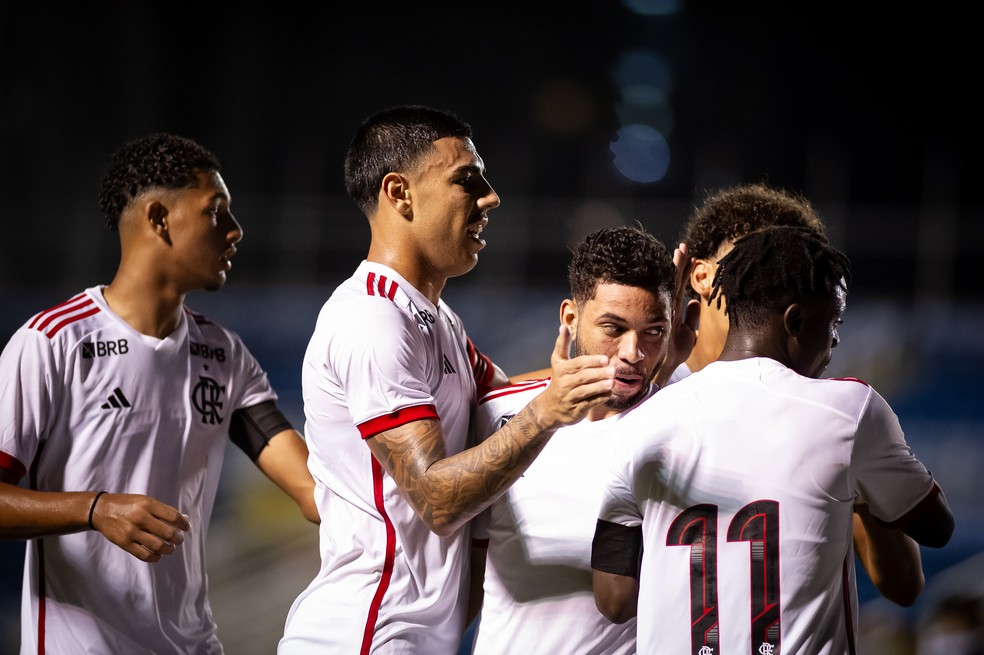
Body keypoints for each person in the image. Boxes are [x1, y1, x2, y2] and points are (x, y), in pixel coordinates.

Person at [278, 105, 617, 654]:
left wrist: (638, 364)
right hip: (367, 634)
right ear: (400, 193)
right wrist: (548, 411)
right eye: (467, 179)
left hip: (405, 636)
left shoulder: (436, 320)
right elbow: (436, 498)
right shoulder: (372, 319)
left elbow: (505, 403)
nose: (491, 197)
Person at [0, 132, 319, 654]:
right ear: (158, 218)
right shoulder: (52, 344)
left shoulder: (224, 355)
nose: (236, 231)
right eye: (216, 212)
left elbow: (313, 490)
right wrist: (95, 508)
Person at [591, 225, 955, 654]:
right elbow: (936, 526)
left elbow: (613, 599)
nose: (836, 338)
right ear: (795, 320)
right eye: (833, 321)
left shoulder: (639, 421)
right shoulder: (847, 408)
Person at [669, 181, 926, 607]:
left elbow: (902, 583)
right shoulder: (653, 397)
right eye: (749, 265)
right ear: (700, 275)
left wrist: (861, 476)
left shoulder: (823, 416)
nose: (766, 284)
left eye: (784, 276)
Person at [467, 225, 677, 655]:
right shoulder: (497, 414)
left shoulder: (681, 428)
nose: (633, 352)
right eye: (613, 328)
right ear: (570, 318)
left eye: (653, 331)